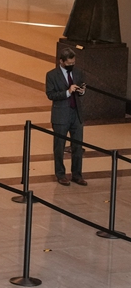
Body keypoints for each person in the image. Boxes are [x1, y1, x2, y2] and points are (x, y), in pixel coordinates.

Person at [45, 47, 86, 186]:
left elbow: (81, 88)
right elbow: (51, 95)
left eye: (73, 62)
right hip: (61, 115)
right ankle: (61, 174)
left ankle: (77, 174)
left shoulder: (78, 72)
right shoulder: (51, 75)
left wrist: (81, 91)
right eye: (69, 63)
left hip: (76, 114)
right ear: (61, 61)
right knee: (59, 146)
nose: (71, 65)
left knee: (78, 146)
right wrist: (67, 92)